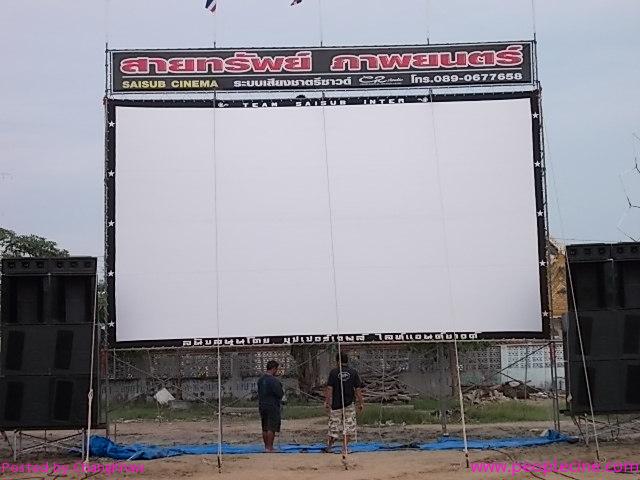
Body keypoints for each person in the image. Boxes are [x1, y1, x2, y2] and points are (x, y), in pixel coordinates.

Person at [324, 353, 364, 454]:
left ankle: (329, 447)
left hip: (336, 404)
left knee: (333, 426)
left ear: (338, 361)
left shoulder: (333, 372)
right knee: (349, 426)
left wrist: (327, 402)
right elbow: (357, 389)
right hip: (349, 403)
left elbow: (329, 388)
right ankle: (344, 448)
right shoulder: (353, 372)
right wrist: (361, 402)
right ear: (347, 360)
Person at [257, 360, 284, 452]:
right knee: (271, 427)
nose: (277, 371)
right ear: (274, 369)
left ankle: (266, 447)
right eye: (277, 369)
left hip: (262, 405)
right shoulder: (274, 381)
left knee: (264, 427)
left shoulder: (260, 380)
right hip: (272, 405)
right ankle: (270, 447)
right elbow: (280, 394)